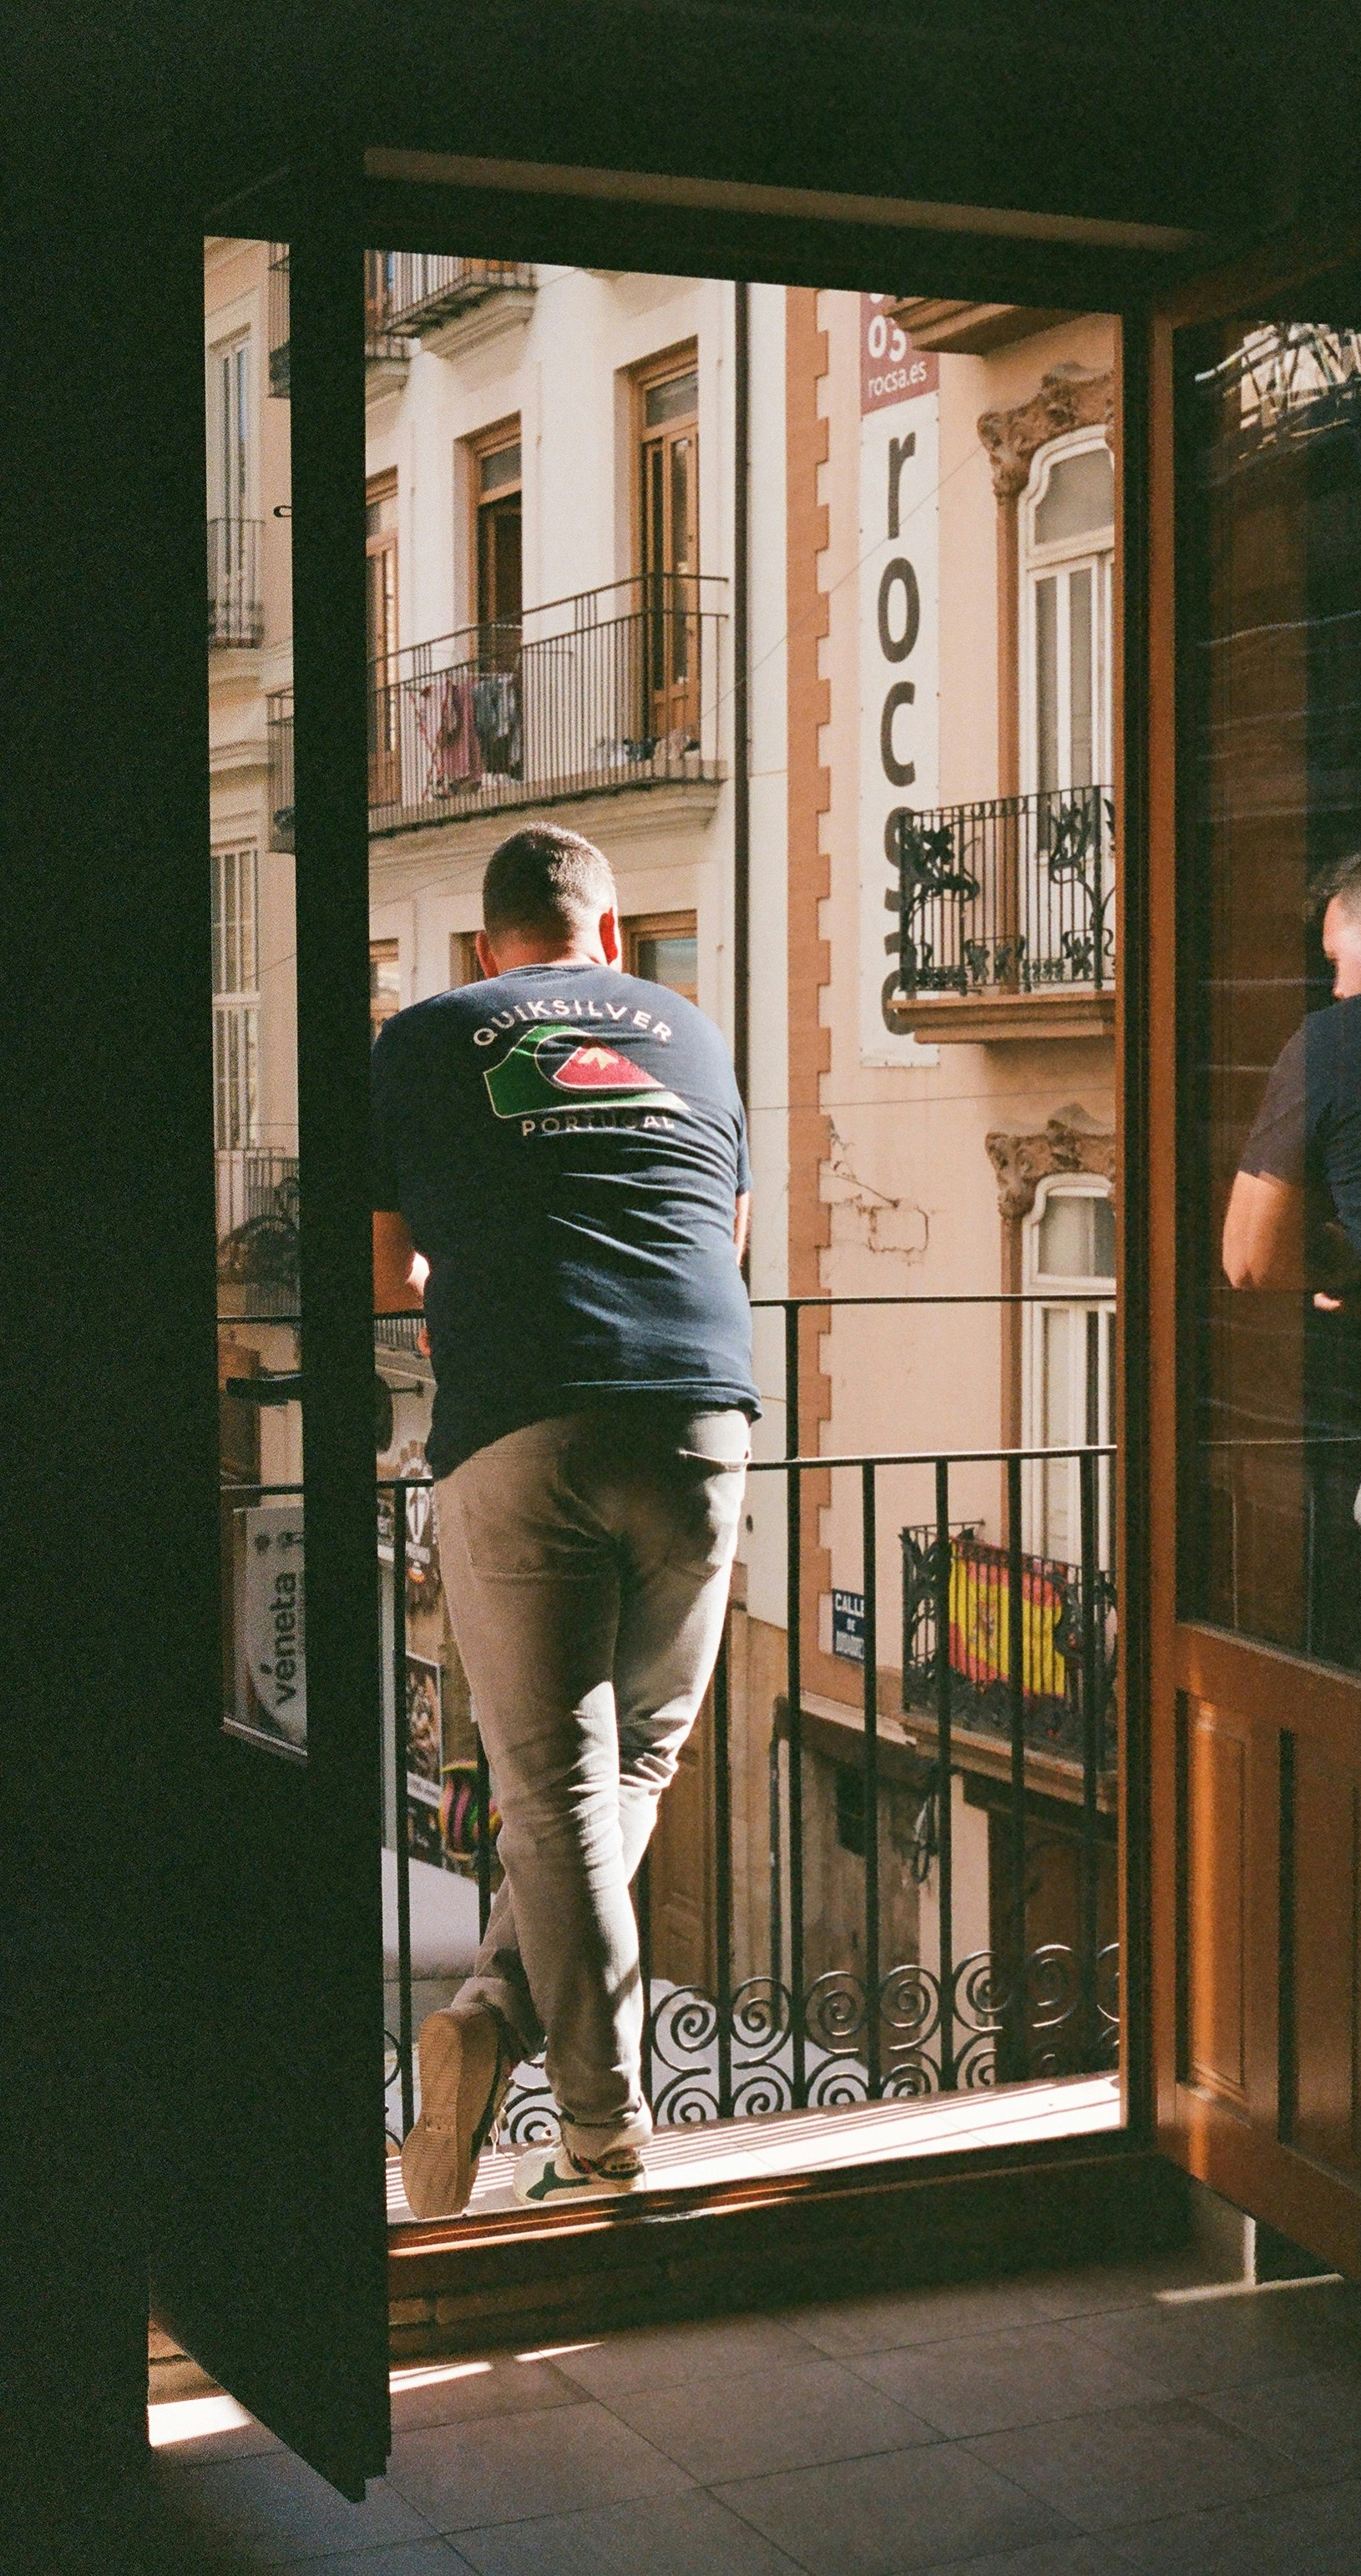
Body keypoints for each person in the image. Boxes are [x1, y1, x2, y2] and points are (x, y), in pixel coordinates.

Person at [373, 825, 758, 2215]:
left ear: (487, 951)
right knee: (633, 1770)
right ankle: (486, 2018)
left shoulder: (426, 1035)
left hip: (522, 1423)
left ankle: (598, 2132)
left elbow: (387, 1268)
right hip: (703, 1419)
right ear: (608, 938)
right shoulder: (691, 1031)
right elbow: (726, 1234)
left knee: (552, 1793)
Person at [1222, 852, 1361, 1594]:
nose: (1337, 985)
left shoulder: (1337, 1041)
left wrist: (1345, 1267)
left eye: (1338, 958)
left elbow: (1250, 1259)